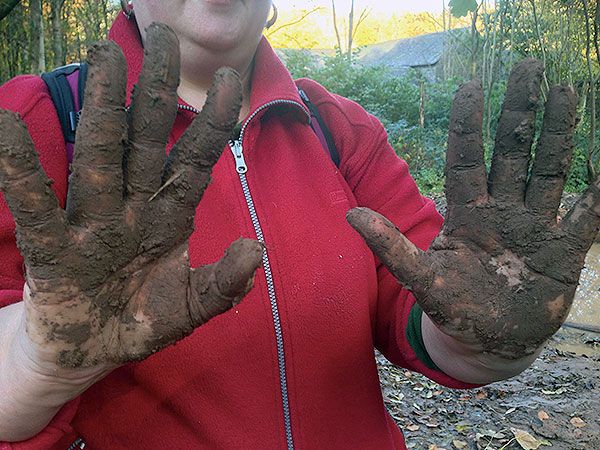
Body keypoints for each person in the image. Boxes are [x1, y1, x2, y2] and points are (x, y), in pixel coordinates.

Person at [0, 1, 598, 449]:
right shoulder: (37, 126)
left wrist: (492, 337)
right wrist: (39, 361)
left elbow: (431, 314)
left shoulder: (341, 131)